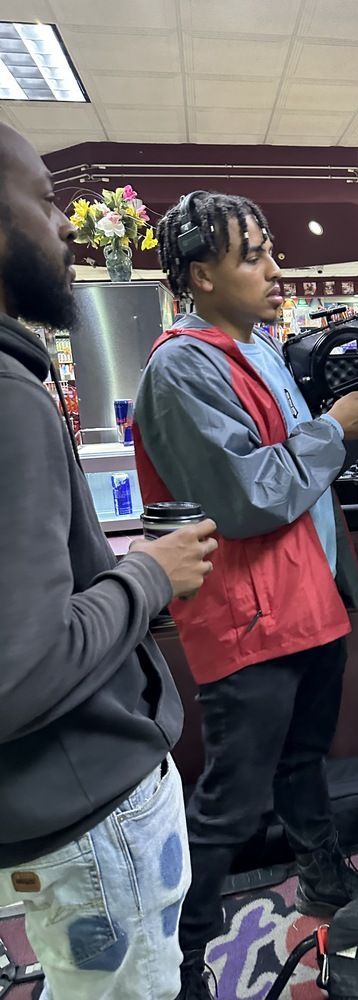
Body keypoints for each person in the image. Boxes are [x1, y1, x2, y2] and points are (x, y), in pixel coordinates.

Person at [133, 190, 358, 999]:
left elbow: (303, 460)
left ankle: (323, 877)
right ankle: (180, 961)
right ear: (199, 275)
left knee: (302, 762)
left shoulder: (256, 347)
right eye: (251, 254)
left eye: (267, 248)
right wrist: (336, 427)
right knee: (230, 796)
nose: (273, 267)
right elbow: (250, 492)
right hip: (250, 616)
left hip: (307, 603)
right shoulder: (182, 365)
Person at [0, 123, 218, 1000]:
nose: (65, 228)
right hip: (89, 807)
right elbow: (23, 668)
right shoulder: (11, 398)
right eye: (45, 202)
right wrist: (147, 574)